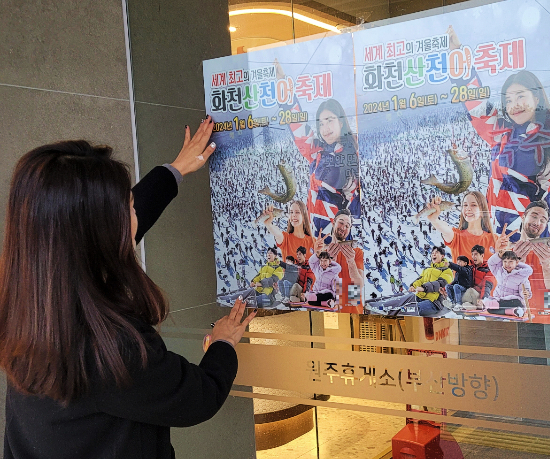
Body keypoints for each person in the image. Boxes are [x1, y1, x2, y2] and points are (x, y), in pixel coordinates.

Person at [0, 119, 257, 459]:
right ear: (100, 232)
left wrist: (176, 170)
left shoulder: (31, 298)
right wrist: (223, 344)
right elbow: (197, 398)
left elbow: (115, 233)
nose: (135, 210)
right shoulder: (110, 347)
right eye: (127, 207)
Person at [448, 26, 550, 242]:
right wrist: (459, 56)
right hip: (498, 233)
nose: (514, 105)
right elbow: (477, 105)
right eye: (508, 100)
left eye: (520, 96)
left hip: (529, 237)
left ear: (536, 98)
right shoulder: (502, 133)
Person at [276, 60, 360, 238]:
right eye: (321, 123)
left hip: (340, 233)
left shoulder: (356, 150)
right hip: (315, 231)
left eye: (330, 120)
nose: (325, 127)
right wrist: (283, 85)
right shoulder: (317, 151)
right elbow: (297, 125)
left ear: (341, 121)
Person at [496, 201, 550, 324]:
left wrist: (547, 265)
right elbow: (500, 294)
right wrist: (517, 266)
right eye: (534, 216)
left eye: (543, 220)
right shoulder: (506, 254)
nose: (537, 222)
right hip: (517, 322)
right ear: (523, 217)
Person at [426, 192, 497, 261]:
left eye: (473, 205)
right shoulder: (456, 237)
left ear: (482, 211)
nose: (468, 209)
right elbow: (446, 230)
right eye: (465, 205)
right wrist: (434, 219)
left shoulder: (495, 239)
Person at [321, 209, 365, 313]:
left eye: (347, 225)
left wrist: (351, 261)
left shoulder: (357, 252)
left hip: (354, 312)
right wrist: (330, 262)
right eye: (341, 222)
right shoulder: (322, 253)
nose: (343, 227)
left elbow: (359, 285)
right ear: (334, 222)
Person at [480, 251, 533, 318]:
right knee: (490, 309)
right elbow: (491, 263)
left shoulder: (522, 276)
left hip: (513, 302)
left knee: (516, 302)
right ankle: (513, 311)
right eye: (505, 261)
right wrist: (498, 256)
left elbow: (525, 290)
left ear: (516, 262)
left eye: (510, 261)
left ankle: (495, 304)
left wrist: (525, 293)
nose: (507, 264)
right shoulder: (499, 271)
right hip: (499, 299)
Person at [409, 247, 454, 317]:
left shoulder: (447, 270)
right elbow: (420, 279)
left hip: (434, 302)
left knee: (412, 309)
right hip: (421, 297)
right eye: (432, 253)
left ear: (442, 256)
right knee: (403, 303)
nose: (433, 254)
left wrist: (424, 288)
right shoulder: (427, 269)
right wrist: (413, 286)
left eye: (436, 253)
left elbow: (441, 284)